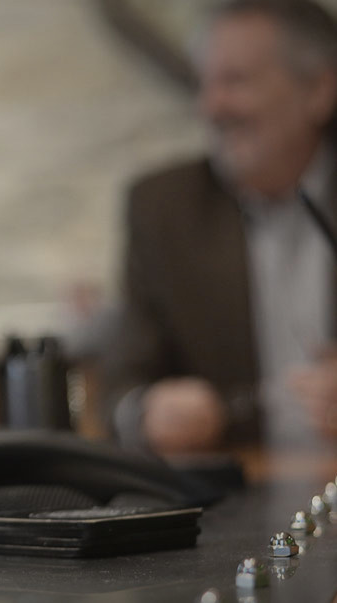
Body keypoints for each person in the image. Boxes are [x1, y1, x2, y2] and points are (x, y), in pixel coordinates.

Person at [106, 0, 337, 457]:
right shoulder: (163, 208)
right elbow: (121, 390)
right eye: (204, 83)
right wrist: (149, 412)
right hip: (241, 502)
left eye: (236, 81)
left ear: (319, 89)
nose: (211, 106)